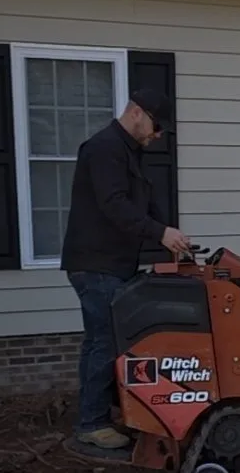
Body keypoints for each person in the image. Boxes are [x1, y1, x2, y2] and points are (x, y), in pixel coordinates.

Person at [60, 89, 191, 450]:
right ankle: (91, 424)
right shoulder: (104, 149)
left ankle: (109, 413)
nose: (158, 135)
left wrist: (174, 241)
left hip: (111, 264)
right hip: (96, 264)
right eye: (157, 125)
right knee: (104, 341)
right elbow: (114, 205)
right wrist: (161, 233)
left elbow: (145, 207)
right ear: (136, 112)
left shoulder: (127, 152)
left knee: (105, 341)